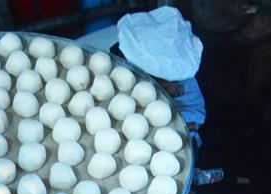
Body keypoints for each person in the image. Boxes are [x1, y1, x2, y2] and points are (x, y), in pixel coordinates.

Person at [82, 6, 206, 144]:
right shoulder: (100, 59)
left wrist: (189, 129)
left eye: (171, 82)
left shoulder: (178, 66)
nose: (173, 86)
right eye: (163, 81)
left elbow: (192, 110)